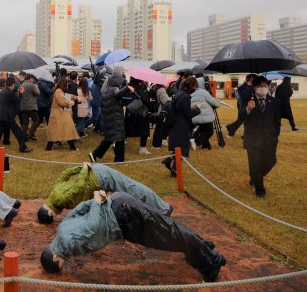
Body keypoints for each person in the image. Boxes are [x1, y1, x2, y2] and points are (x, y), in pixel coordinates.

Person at [40, 191, 226, 282]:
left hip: (125, 217)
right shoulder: (61, 230)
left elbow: (92, 225)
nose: (63, 266)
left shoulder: (68, 244)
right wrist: (99, 200)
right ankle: (203, 249)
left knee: (169, 234)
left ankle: (211, 264)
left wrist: (97, 203)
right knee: (169, 231)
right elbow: (80, 209)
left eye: (59, 266)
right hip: (120, 207)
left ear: (56, 258)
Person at [37, 163, 171, 224]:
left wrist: (84, 169)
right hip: (97, 178)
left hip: (100, 177)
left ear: (49, 213)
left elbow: (79, 185)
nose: (57, 215)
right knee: (129, 190)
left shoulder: (59, 200)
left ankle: (163, 208)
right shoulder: (53, 193)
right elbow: (64, 174)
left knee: (131, 188)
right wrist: (82, 168)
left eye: (54, 216)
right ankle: (154, 210)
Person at [239, 76, 281, 198]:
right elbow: (241, 117)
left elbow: (277, 121)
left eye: (265, 86)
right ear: (254, 87)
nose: (263, 88)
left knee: (271, 161)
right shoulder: (247, 99)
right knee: (255, 164)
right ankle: (260, 190)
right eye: (260, 86)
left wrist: (275, 135)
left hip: (269, 139)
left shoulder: (274, 102)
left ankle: (255, 177)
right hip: (253, 139)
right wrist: (248, 108)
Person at [88, 66, 132, 163]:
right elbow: (118, 95)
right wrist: (127, 88)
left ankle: (117, 159)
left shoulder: (106, 91)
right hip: (115, 118)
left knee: (113, 139)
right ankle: (98, 154)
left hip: (110, 118)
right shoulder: (114, 90)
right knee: (116, 139)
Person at [162, 77, 202, 177]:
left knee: (180, 147)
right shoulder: (185, 97)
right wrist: (197, 109)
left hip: (176, 124)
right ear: (191, 86)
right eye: (194, 87)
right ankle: (175, 171)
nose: (195, 90)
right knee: (182, 148)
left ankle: (169, 160)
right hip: (181, 125)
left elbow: (182, 110)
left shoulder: (180, 93)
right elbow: (187, 114)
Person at [0, 77, 32, 153]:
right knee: (18, 132)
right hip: (9, 117)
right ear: (12, 84)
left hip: (2, 115)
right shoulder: (11, 93)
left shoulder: (2, 91)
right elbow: (18, 100)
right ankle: (23, 148)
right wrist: (21, 93)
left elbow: (2, 101)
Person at [45, 79, 80, 151]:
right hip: (58, 115)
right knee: (62, 130)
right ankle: (49, 147)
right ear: (63, 84)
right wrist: (70, 103)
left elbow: (67, 96)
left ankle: (72, 147)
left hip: (61, 114)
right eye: (66, 84)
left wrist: (76, 98)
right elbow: (62, 101)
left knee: (67, 130)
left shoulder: (61, 91)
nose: (67, 86)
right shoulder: (58, 91)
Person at [190, 77, 223, 150]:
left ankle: (205, 145)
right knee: (209, 131)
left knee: (202, 130)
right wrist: (219, 103)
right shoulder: (203, 92)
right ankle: (195, 141)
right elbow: (213, 102)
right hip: (205, 116)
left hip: (196, 115)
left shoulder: (191, 93)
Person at [124, 77, 151, 155]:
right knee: (144, 130)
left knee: (126, 128)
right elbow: (145, 101)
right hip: (140, 113)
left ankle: (119, 142)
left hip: (129, 111)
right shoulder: (140, 89)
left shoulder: (127, 88)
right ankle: (142, 148)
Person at [20, 73, 40, 140]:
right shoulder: (32, 85)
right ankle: (30, 134)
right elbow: (38, 93)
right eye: (33, 78)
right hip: (31, 106)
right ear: (31, 78)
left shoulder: (22, 84)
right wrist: (36, 87)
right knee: (37, 120)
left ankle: (24, 137)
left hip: (23, 106)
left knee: (25, 123)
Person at [151, 83, 170, 148]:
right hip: (162, 111)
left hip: (160, 110)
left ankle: (156, 144)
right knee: (159, 128)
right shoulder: (161, 90)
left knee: (159, 128)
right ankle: (156, 144)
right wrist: (171, 99)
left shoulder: (157, 89)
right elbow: (165, 101)